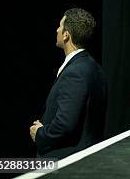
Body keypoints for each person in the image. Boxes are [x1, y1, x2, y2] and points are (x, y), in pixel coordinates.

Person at [29, 8, 107, 158]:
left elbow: (64, 124)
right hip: (87, 158)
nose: (57, 29)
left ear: (66, 35)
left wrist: (40, 134)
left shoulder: (75, 72)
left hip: (65, 161)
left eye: (60, 26)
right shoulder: (94, 67)